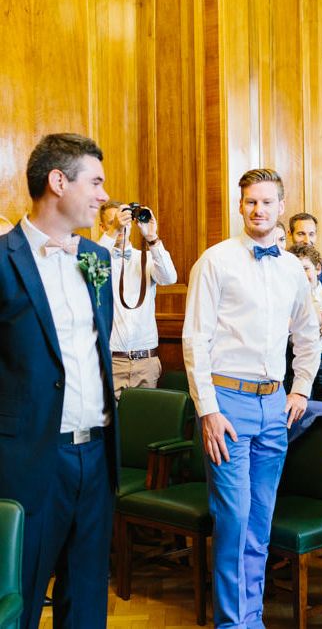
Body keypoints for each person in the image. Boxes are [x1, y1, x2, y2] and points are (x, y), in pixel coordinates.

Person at [182, 168, 320, 628]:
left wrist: (300, 386)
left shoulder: (290, 270)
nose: (258, 209)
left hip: (273, 405)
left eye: (267, 202)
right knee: (233, 522)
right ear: (240, 206)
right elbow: (194, 340)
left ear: (281, 207)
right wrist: (208, 410)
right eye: (250, 202)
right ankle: (231, 623)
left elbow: (307, 333)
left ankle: (252, 618)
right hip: (227, 404)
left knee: (259, 526)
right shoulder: (215, 261)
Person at [0, 133, 118, 628]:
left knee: (87, 598)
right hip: (28, 458)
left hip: (96, 456)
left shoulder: (98, 260)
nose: (103, 195)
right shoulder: (3, 261)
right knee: (19, 596)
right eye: (95, 182)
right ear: (57, 182)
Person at [98, 201, 177, 399]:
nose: (121, 228)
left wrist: (152, 238)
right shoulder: (97, 259)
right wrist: (113, 231)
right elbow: (85, 272)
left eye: (124, 223)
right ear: (101, 227)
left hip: (146, 362)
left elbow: (169, 278)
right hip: (111, 361)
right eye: (113, 223)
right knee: (110, 428)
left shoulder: (147, 258)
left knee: (145, 426)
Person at [287, 242, 322, 401]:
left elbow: (317, 325)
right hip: (295, 358)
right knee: (301, 401)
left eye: (306, 269)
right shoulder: (286, 299)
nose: (301, 275)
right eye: (296, 270)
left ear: (318, 268)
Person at [288, 212, 322, 291]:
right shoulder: (281, 266)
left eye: (311, 234)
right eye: (301, 234)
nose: (307, 240)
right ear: (290, 235)